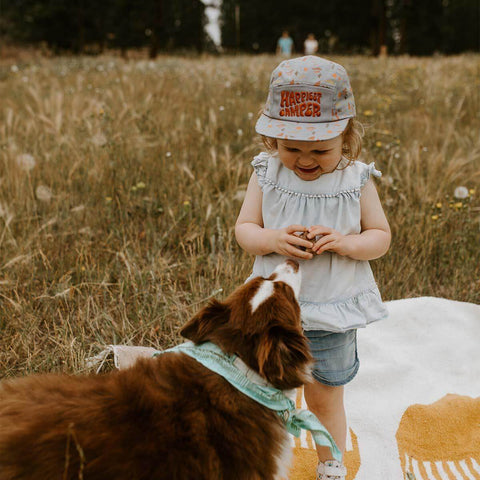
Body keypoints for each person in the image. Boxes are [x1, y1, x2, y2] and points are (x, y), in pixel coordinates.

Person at [235, 56, 391, 480]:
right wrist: (272, 238)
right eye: (292, 148)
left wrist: (345, 242)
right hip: (273, 310)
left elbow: (380, 237)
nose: (305, 160)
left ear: (347, 136)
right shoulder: (266, 173)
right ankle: (258, 455)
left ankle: (330, 463)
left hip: (331, 310)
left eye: (320, 150)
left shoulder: (354, 180)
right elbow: (245, 229)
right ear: (273, 139)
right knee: (262, 390)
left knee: (324, 398)